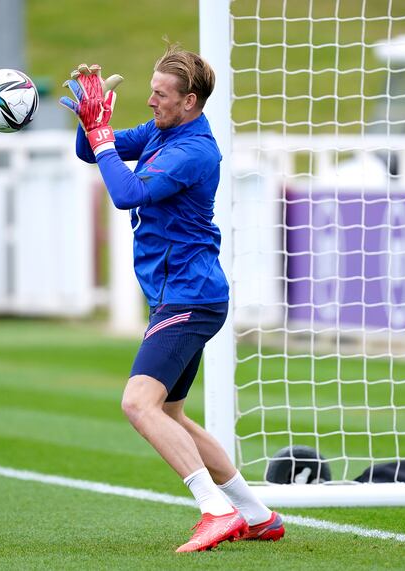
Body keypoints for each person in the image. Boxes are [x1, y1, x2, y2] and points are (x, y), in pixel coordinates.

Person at [59, 44, 284, 553]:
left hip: (190, 295)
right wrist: (90, 120)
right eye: (152, 91)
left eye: (161, 94)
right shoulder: (164, 132)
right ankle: (256, 513)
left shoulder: (194, 150)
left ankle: (216, 509)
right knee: (173, 414)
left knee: (138, 404)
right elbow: (90, 151)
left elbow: (127, 193)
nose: (151, 101)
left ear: (191, 102)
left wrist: (100, 138)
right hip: (184, 294)